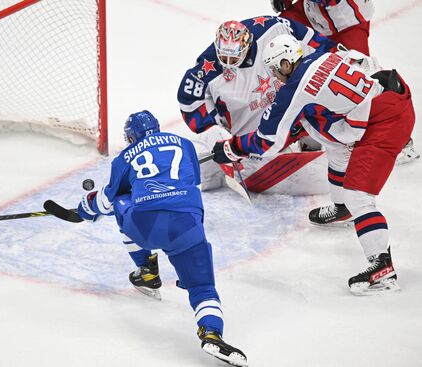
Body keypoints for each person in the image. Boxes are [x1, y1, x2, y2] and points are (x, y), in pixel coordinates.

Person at [211, 34, 415, 295]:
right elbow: (365, 64)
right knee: (336, 146)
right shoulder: (324, 56)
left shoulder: (294, 88)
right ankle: (343, 208)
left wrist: (233, 148)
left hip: (386, 125)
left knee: (359, 196)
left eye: (276, 69)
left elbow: (267, 142)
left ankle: (382, 269)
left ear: (286, 63)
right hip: (390, 100)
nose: (275, 75)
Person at [75, 110, 248, 366]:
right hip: (188, 226)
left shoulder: (124, 157)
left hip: (146, 226)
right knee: (203, 288)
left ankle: (146, 270)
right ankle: (212, 333)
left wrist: (85, 209)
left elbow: (106, 200)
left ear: (131, 136)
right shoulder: (185, 145)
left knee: (122, 201)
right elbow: (193, 185)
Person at [272, 0, 420, 223]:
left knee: (359, 77)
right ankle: (308, 124)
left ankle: (400, 140)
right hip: (316, 13)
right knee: (280, 32)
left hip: (347, 19)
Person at [177, 16, 335, 192]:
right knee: (262, 140)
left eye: (234, 57)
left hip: (280, 102)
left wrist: (336, 58)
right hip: (249, 124)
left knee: (312, 103)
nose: (229, 63)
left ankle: (306, 141)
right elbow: (188, 98)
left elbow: (314, 42)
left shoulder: (272, 28)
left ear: (248, 44)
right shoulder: (206, 69)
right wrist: (213, 130)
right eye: (224, 56)